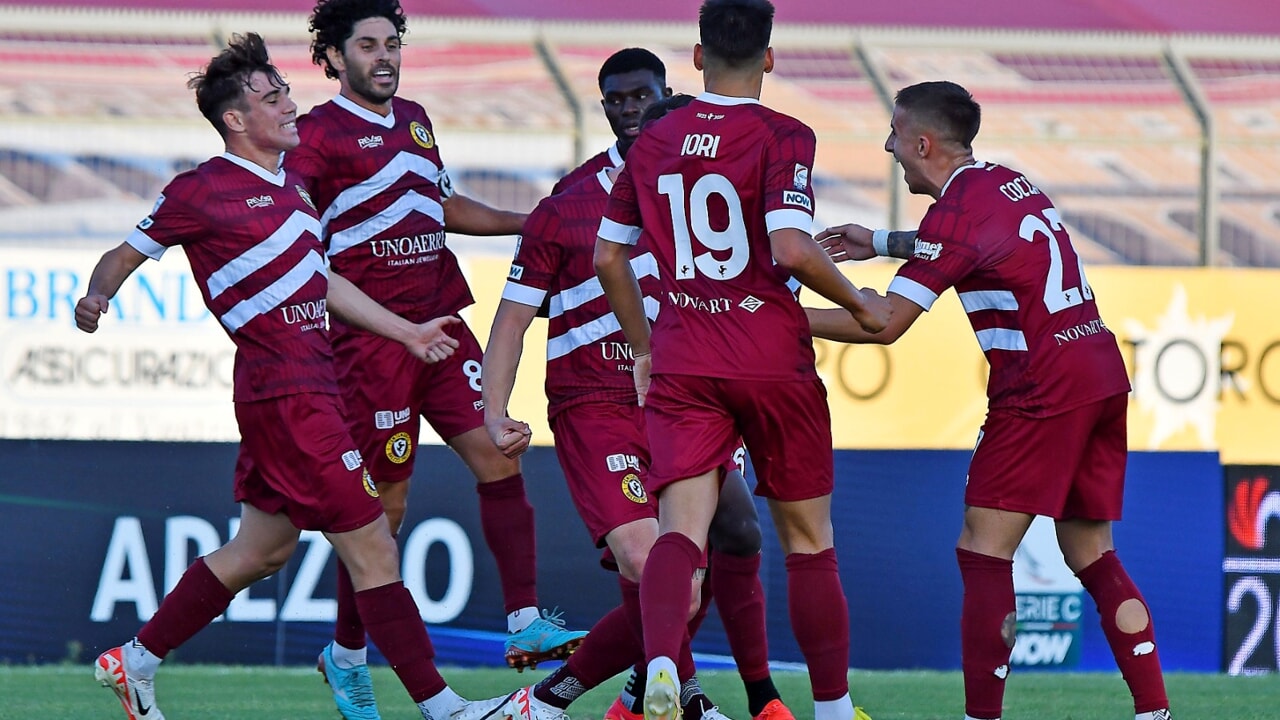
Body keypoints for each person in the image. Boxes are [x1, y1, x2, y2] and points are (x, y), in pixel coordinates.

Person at [82, 33, 503, 720]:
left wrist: (406, 330)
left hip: (312, 386)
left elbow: (324, 279)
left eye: (284, 90)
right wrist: (98, 296)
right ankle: (445, 707)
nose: (287, 102)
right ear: (235, 121)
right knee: (373, 544)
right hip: (286, 392)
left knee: (262, 549)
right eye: (269, 96)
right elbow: (124, 252)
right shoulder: (202, 188)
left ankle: (134, 660)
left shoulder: (294, 187)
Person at [806, 80, 1172, 720]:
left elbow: (885, 323)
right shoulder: (1007, 181)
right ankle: (1154, 711)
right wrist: (880, 241)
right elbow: (972, 245)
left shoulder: (954, 213)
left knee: (983, 550)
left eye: (894, 135)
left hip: (1038, 385)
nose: (888, 147)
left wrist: (779, 318)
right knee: (1092, 553)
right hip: (1098, 371)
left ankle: (983, 716)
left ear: (922, 143)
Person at [285, 1, 587, 715]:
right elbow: (298, 248)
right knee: (381, 518)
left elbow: (442, 204)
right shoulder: (315, 139)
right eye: (367, 46)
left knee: (497, 452)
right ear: (332, 58)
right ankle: (348, 656)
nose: (385, 57)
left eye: (393, 43)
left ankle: (524, 619)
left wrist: (532, 222)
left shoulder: (416, 118)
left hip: (442, 325)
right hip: (370, 346)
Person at [594, 3, 891, 720]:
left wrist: (642, 348)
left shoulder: (654, 137)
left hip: (685, 353)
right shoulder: (784, 134)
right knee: (809, 540)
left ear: (697, 59)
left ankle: (662, 664)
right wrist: (858, 303)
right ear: (769, 57)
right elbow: (791, 247)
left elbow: (609, 256)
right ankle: (830, 708)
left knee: (681, 530)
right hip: (767, 352)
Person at [482, 93, 796, 720]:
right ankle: (691, 697)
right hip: (596, 402)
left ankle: (565, 701)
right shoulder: (567, 208)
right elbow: (512, 319)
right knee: (650, 559)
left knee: (702, 566)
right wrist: (494, 408)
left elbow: (761, 300)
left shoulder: (716, 204)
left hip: (689, 398)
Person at [550, 47, 671, 196]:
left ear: (667, 97)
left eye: (642, 96)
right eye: (614, 100)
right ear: (604, 106)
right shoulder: (572, 189)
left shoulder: (697, 166)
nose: (629, 109)